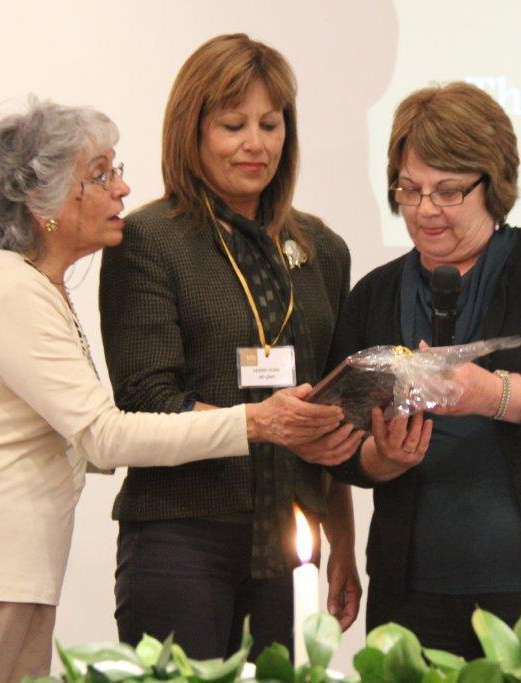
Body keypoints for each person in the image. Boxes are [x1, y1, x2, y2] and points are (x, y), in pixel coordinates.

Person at [0, 98, 343, 683]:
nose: (122, 188)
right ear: (45, 204)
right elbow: (104, 436)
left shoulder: (33, 286)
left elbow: (85, 440)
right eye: (101, 174)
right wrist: (255, 423)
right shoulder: (3, 286)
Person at [329, 82, 521, 670]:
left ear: (493, 186)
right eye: (410, 188)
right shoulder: (373, 294)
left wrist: (494, 395)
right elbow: (337, 439)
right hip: (415, 595)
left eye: (448, 191)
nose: (425, 209)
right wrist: (380, 460)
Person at [98, 34, 364, 659]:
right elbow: (145, 400)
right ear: (192, 131)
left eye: (270, 124)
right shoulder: (147, 240)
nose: (256, 143)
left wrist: (344, 544)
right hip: (179, 540)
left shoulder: (323, 248)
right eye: (233, 124)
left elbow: (335, 410)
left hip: (293, 543)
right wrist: (262, 425)